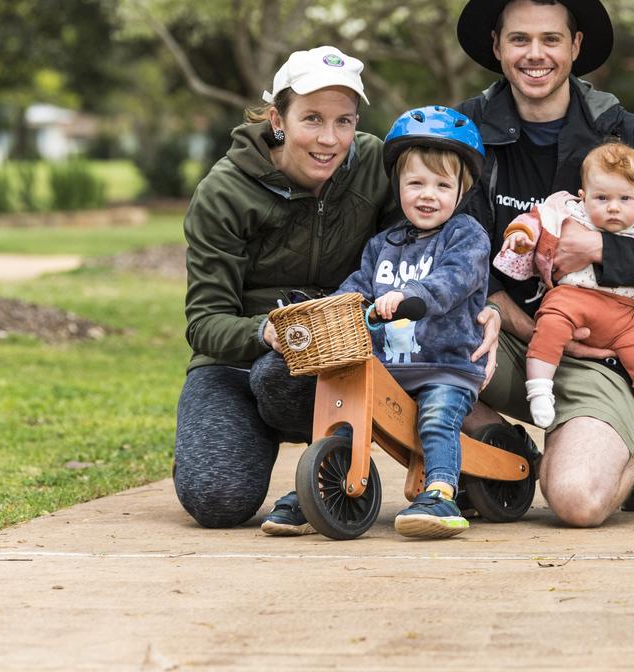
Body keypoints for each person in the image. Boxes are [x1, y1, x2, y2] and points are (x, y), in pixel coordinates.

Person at [173, 45, 501, 534]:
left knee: (283, 378)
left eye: (343, 121)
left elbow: (437, 239)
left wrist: (485, 304)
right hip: (242, 361)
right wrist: (271, 333)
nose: (329, 139)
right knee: (217, 500)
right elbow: (203, 322)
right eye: (312, 119)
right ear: (277, 119)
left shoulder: (376, 163)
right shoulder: (224, 193)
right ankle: (238, 435)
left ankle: (418, 465)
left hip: (337, 354)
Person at [455, 0, 634, 527]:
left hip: (602, 355)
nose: (535, 54)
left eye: (551, 39)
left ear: (575, 46)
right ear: (497, 46)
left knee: (573, 501)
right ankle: (502, 449)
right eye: (520, 38)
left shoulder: (629, 140)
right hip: (498, 344)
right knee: (401, 352)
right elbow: (437, 245)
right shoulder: (462, 134)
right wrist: (516, 319)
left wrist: (600, 249)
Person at [494, 142, 634, 461]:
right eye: (602, 198)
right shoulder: (570, 210)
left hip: (624, 314)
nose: (613, 207)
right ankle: (540, 390)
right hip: (570, 298)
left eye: (625, 199)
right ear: (583, 196)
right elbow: (536, 218)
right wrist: (520, 234)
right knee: (549, 327)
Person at [332, 106, 491, 538]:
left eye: (442, 185)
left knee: (437, 418)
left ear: (463, 189)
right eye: (415, 183)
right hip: (392, 370)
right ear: (397, 186)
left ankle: (441, 492)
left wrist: (411, 296)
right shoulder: (383, 243)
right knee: (349, 414)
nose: (427, 195)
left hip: (446, 366)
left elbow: (453, 280)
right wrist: (328, 309)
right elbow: (357, 287)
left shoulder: (466, 235)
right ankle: (324, 485)